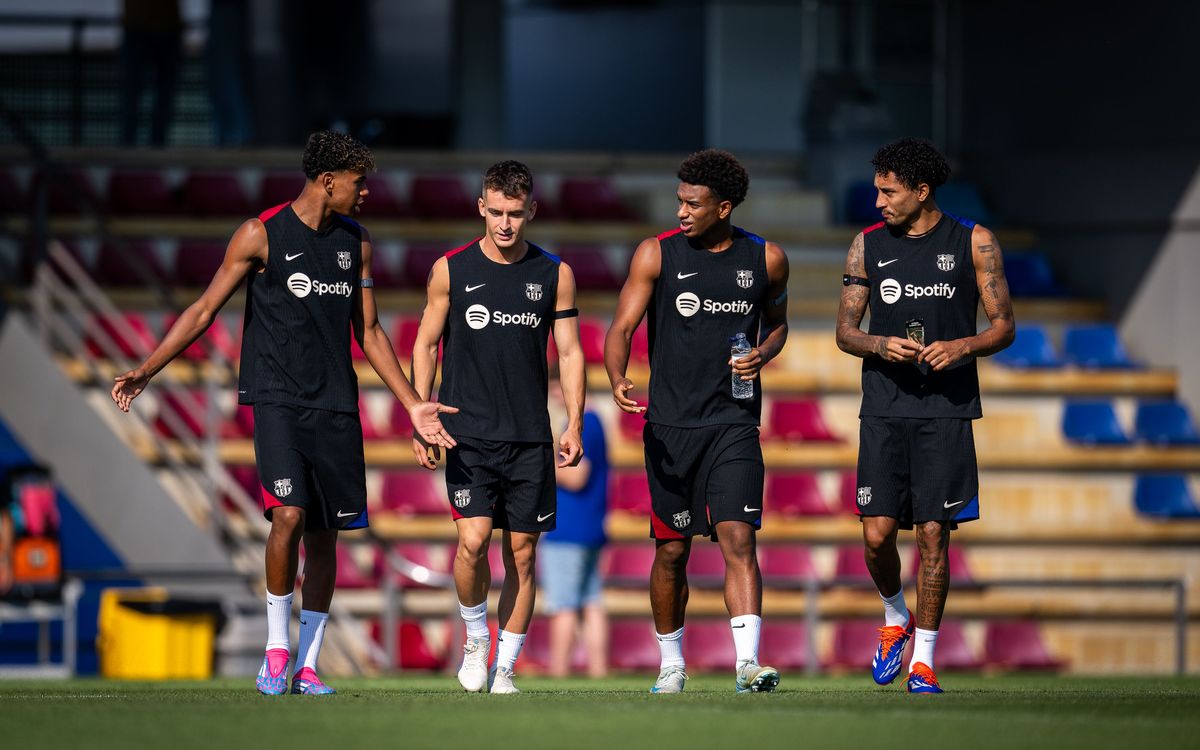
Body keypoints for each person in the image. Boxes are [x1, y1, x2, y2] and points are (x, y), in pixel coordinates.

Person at [111, 130, 458, 695]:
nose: (366, 192)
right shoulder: (260, 234)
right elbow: (202, 310)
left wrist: (414, 406)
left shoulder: (357, 242)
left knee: (326, 538)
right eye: (358, 181)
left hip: (337, 406)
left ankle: (309, 665)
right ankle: (276, 650)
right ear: (329, 181)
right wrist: (148, 369)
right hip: (277, 401)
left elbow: (368, 331)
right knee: (289, 517)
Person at [604, 149, 790, 694]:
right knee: (672, 550)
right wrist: (617, 376)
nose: (681, 211)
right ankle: (671, 663)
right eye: (679, 201)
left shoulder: (767, 259)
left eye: (693, 203)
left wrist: (764, 352)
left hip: (734, 423)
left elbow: (778, 325)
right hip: (669, 428)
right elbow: (620, 327)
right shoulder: (655, 254)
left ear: (724, 206)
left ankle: (747, 664)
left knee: (738, 537)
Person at [835, 137, 1015, 694]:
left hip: (947, 410)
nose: (878, 202)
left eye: (888, 192)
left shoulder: (975, 242)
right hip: (885, 409)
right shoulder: (865, 245)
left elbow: (1004, 326)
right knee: (876, 536)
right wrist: (879, 346)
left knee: (935, 534)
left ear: (921, 190)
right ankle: (895, 617)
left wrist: (962, 347)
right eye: (877, 191)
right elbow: (845, 332)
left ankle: (925, 663)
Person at [410, 160, 586, 694]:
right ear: (481, 208)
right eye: (496, 213)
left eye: (515, 213)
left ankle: (505, 667)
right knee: (473, 540)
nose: (505, 224)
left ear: (531, 210)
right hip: (468, 432)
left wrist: (573, 420)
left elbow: (572, 351)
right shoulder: (450, 270)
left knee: (525, 553)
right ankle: (474, 638)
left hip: (530, 435)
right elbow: (423, 343)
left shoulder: (554, 273)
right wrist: (422, 413)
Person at [539, 399, 609, 678]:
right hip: (589, 527)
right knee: (591, 602)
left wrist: (538, 465)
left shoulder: (581, 423)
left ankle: (558, 671)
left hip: (568, 529)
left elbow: (578, 475)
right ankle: (599, 671)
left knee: (563, 605)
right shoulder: (595, 421)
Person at [118, 0, 183, 146]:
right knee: (134, 91)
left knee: (146, 91)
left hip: (160, 24)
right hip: (142, 24)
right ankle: (130, 144)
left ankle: (143, 143)